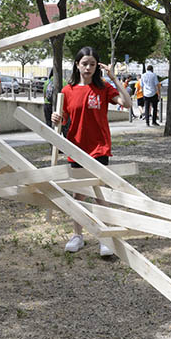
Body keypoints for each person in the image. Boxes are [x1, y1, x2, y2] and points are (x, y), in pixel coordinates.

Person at [51, 47, 132, 257]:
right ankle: (77, 235)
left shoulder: (104, 88)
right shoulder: (67, 91)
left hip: (99, 148)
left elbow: (127, 103)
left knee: (98, 193)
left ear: (97, 67)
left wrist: (114, 78)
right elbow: (65, 119)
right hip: (76, 148)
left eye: (92, 64)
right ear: (77, 64)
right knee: (78, 194)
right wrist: (57, 119)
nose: (88, 67)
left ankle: (106, 237)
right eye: (84, 63)